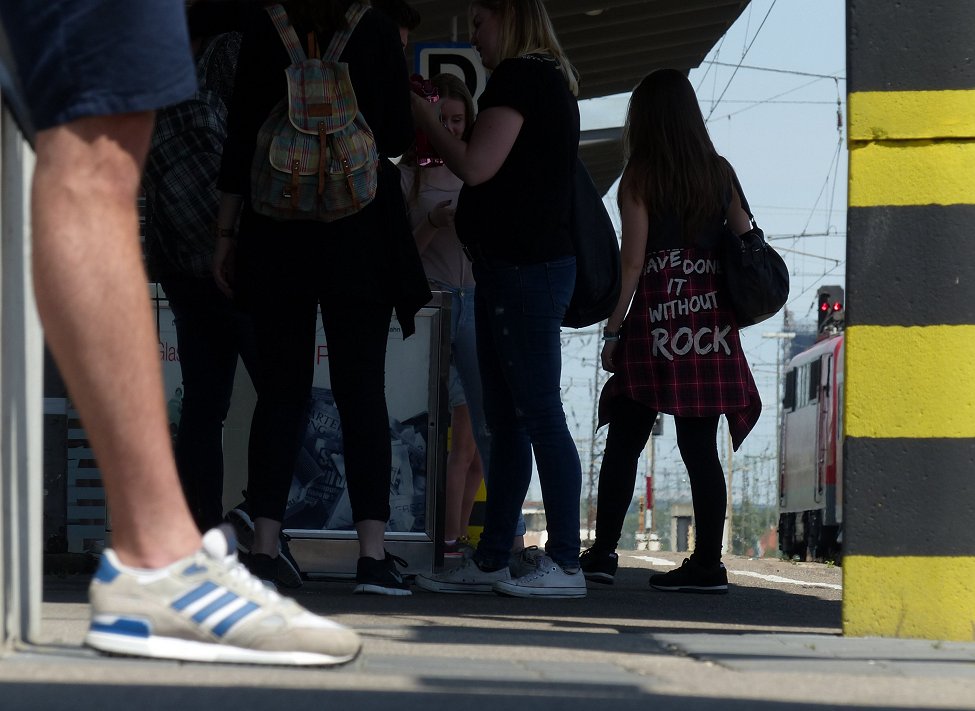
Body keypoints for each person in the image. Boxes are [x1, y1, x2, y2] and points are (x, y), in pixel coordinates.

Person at [0, 0, 359, 664]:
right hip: (223, 255)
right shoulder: (229, 51)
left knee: (207, 402)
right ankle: (166, 558)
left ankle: (177, 545)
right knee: (96, 145)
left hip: (183, 255)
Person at [214, 0, 429, 596]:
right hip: (359, 237)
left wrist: (226, 236)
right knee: (361, 391)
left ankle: (263, 548)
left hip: (275, 234)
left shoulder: (262, 26)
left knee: (280, 392)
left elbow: (239, 143)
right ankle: (372, 556)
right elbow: (394, 136)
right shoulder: (377, 28)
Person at [412, 0, 586, 598]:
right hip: (511, 271)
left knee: (536, 415)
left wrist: (426, 117)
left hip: (524, 272)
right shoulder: (551, 82)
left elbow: (476, 165)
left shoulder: (521, 78)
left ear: (508, 18)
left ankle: (565, 559)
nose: (473, 38)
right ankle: (490, 559)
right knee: (508, 423)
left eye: (479, 24)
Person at [581, 69, 762, 594]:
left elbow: (632, 263)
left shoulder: (640, 176)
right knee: (700, 445)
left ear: (646, 121)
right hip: (707, 328)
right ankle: (708, 564)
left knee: (626, 440)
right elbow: (745, 238)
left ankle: (602, 553)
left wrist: (612, 331)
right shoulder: (719, 172)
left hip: (656, 325)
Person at [399, 73, 486, 557]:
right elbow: (400, 257)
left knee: (475, 444)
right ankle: (447, 541)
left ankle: (453, 536)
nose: (451, 129)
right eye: (442, 120)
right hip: (433, 305)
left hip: (476, 299)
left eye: (458, 120)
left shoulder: (478, 169)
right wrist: (432, 222)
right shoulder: (408, 176)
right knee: (452, 439)